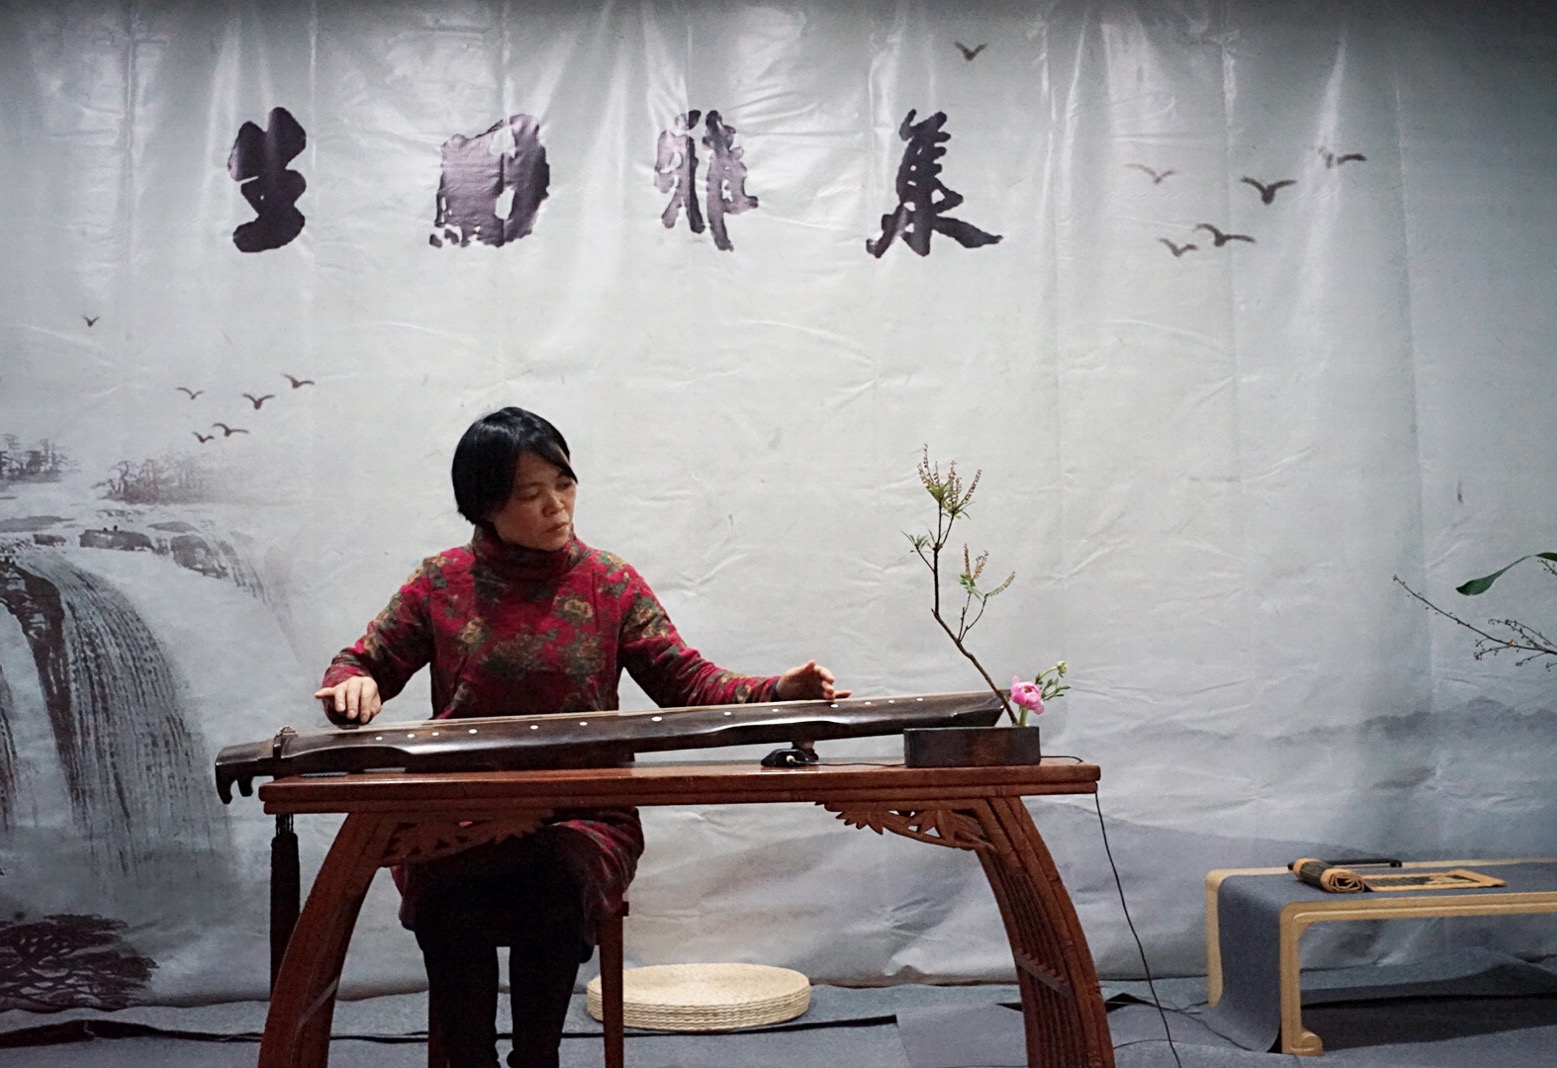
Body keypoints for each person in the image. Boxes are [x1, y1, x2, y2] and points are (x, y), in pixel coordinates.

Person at [315, 406, 847, 1068]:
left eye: (563, 484)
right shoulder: (440, 582)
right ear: (484, 506)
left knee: (555, 876)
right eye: (529, 495)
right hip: (460, 812)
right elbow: (360, 663)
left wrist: (779, 691)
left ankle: (537, 1060)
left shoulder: (609, 582)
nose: (556, 507)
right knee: (448, 885)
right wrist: (353, 687)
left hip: (583, 813)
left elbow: (687, 683)